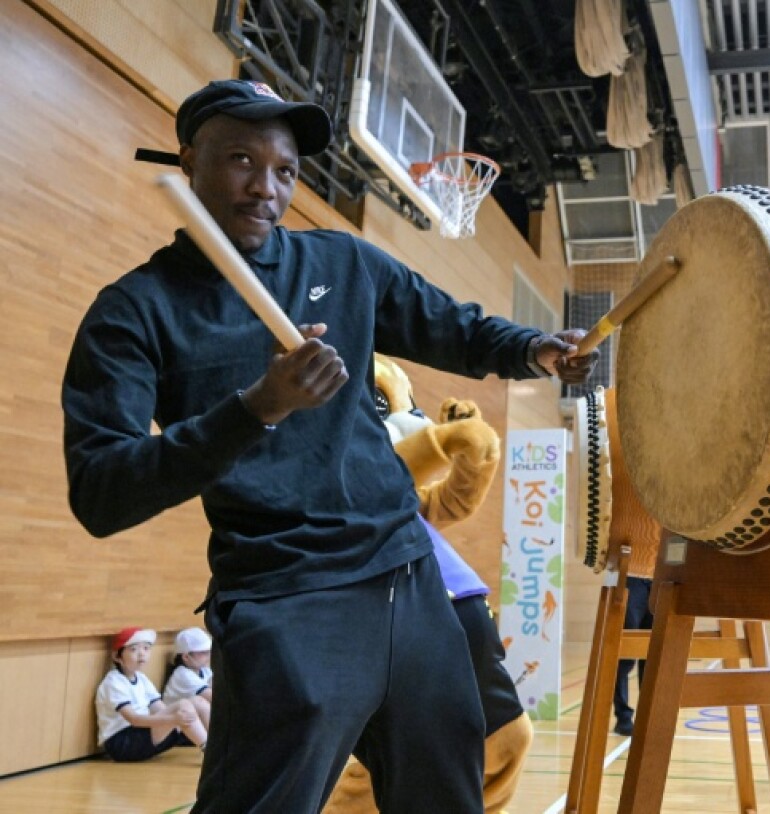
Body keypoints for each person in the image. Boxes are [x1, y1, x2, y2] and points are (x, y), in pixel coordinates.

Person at [62, 78, 598, 813]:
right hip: (283, 598)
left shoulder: (342, 265)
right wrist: (258, 408)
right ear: (189, 160)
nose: (266, 187)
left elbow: (456, 326)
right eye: (242, 160)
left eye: (285, 169)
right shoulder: (134, 311)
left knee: (448, 795)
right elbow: (102, 492)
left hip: (407, 578)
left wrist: (536, 348)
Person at [95, 627, 208, 762]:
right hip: (122, 743)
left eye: (146, 648)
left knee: (195, 702)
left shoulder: (142, 678)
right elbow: (134, 719)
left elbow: (160, 709)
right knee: (182, 706)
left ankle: (216, 744)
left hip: (141, 734)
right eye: (134, 649)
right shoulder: (113, 682)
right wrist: (173, 719)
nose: (141, 654)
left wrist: (179, 718)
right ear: (117, 656)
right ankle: (209, 751)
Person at [612, 575, 653, 736]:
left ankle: (648, 716)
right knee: (625, 655)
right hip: (632, 578)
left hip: (661, 578)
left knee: (653, 656)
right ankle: (623, 718)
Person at [163, 627, 213, 725]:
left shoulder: (205, 671)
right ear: (186, 657)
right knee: (201, 703)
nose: (209, 656)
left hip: (192, 723)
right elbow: (213, 697)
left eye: (209, 652)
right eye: (204, 653)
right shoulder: (182, 674)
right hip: (175, 726)